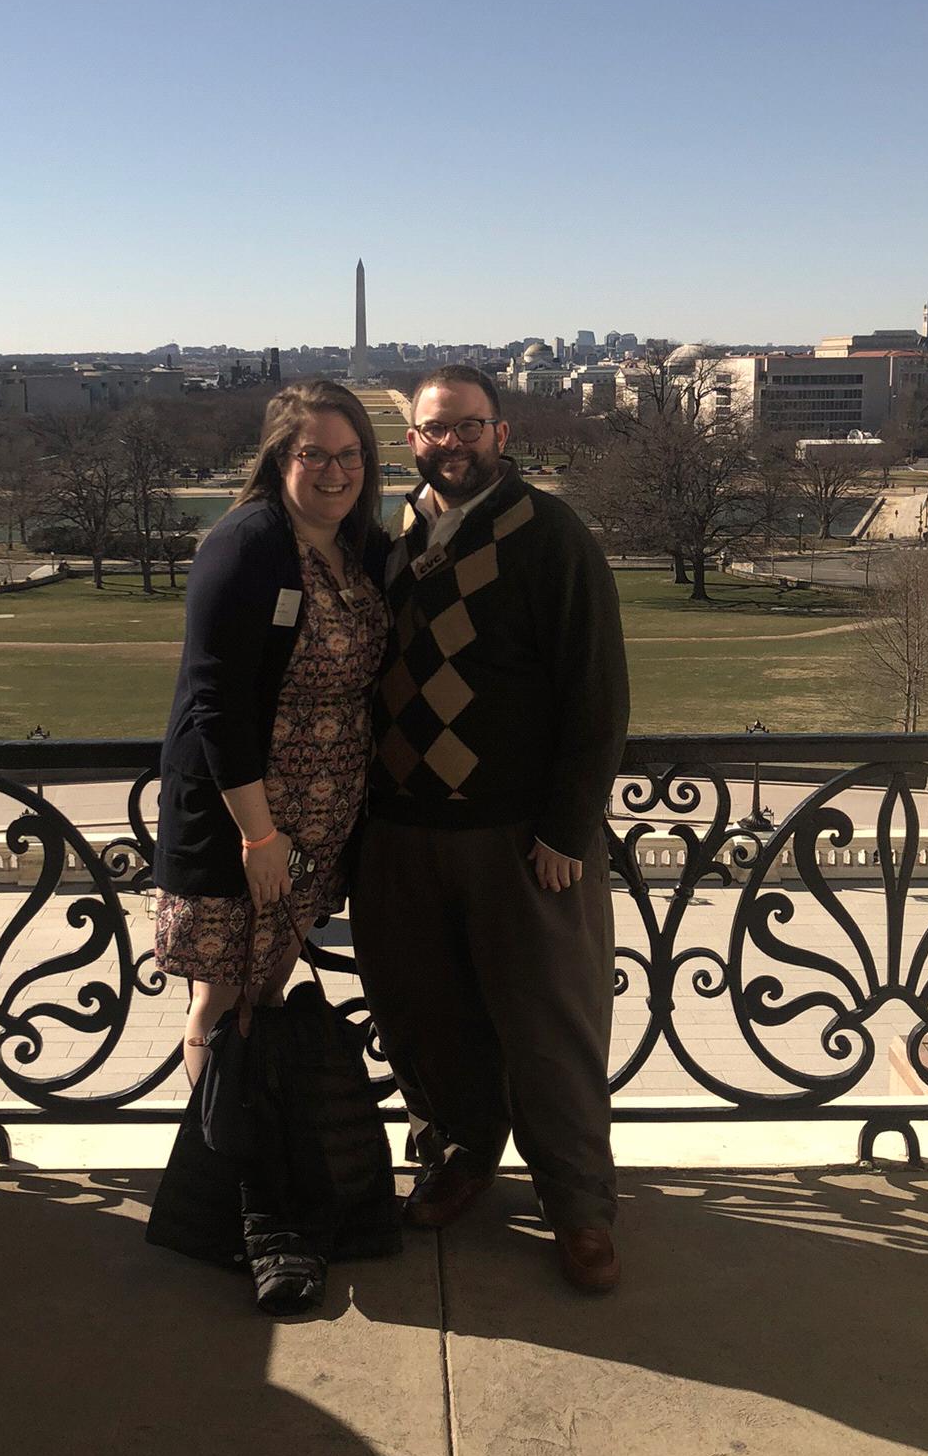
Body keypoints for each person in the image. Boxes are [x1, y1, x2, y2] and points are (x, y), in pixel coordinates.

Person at [350, 365, 630, 1294]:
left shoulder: (551, 536)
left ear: (500, 434)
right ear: (414, 439)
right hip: (398, 832)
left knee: (551, 1029)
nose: (452, 443)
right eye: (436, 430)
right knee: (423, 1019)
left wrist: (567, 828)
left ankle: (578, 1204)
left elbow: (597, 697)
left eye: (469, 427)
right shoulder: (382, 537)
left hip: (520, 840)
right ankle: (462, 1156)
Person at [153, 380, 389, 1084]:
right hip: (243, 824)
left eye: (350, 455)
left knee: (269, 987)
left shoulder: (361, 547)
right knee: (222, 1001)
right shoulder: (247, 545)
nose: (335, 472)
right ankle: (219, 1164)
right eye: (315, 454)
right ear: (281, 456)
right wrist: (259, 838)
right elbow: (215, 700)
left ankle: (268, 1155)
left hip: (315, 827)